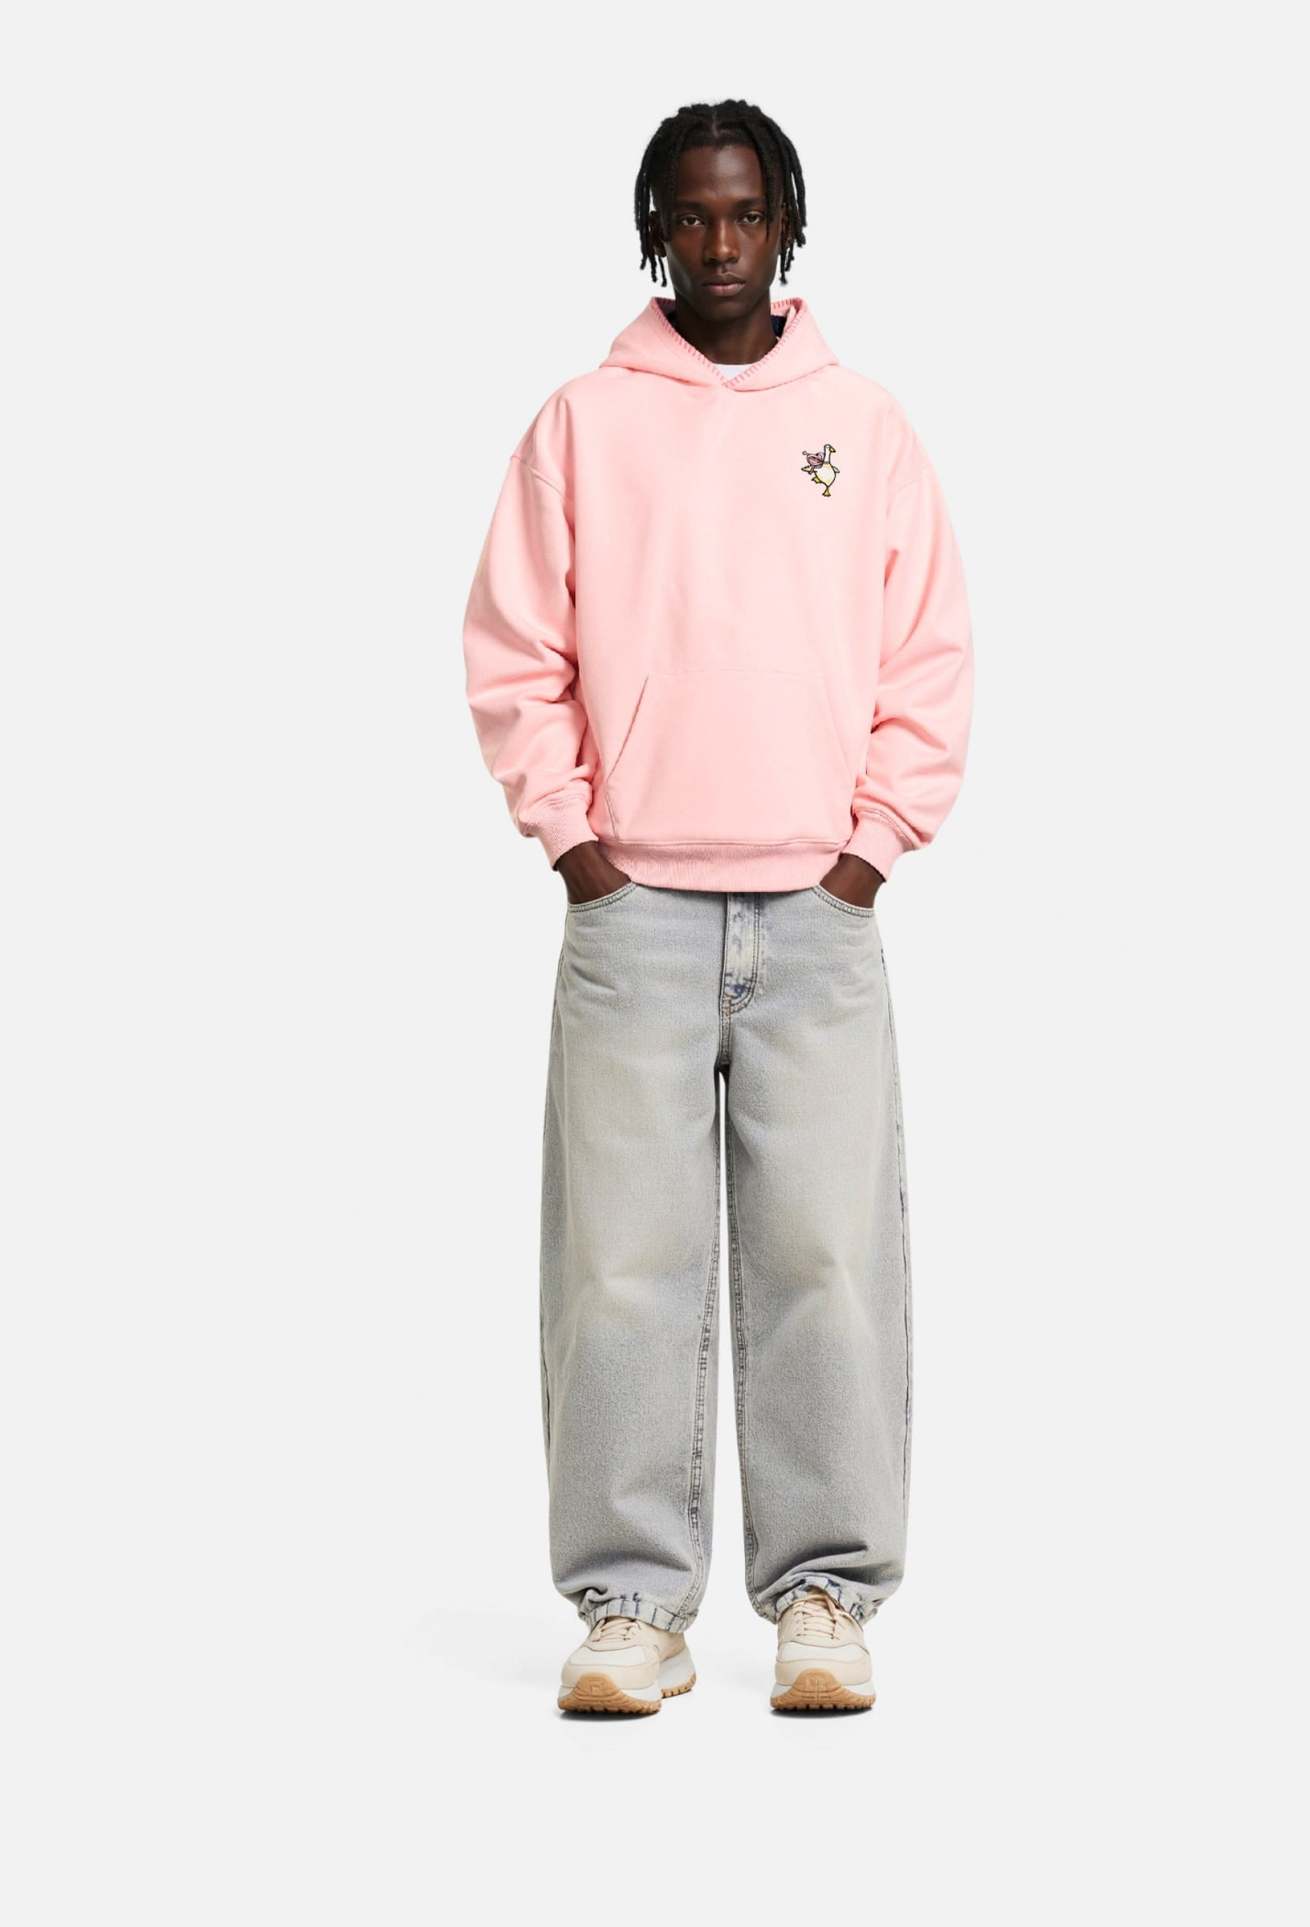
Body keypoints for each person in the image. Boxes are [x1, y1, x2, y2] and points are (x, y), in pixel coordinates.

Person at [461, 98, 974, 1715]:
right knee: (621, 1269)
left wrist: (866, 849)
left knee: (825, 1257)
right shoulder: (581, 426)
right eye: (690, 216)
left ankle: (823, 1597)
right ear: (654, 235)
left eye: (746, 213)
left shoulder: (862, 427)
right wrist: (576, 846)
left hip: (816, 915)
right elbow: (515, 652)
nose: (720, 243)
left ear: (787, 226)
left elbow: (927, 653)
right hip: (634, 917)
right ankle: (631, 1606)